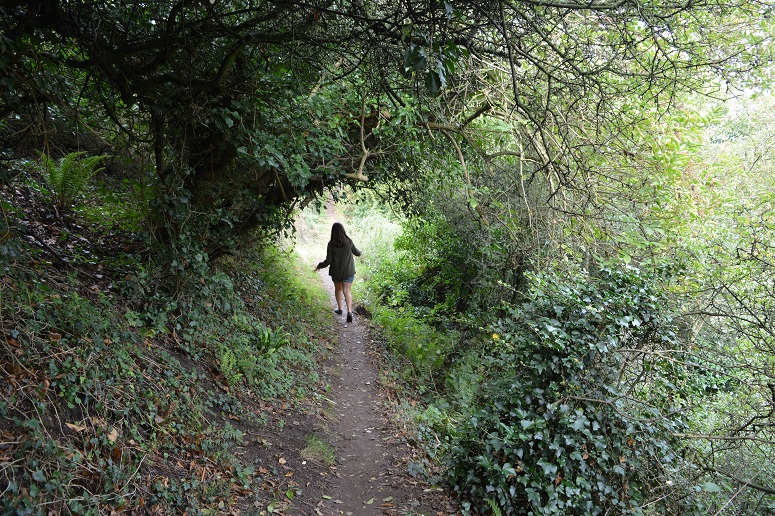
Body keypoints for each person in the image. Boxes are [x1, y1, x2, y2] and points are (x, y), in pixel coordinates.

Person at [314, 222, 362, 323]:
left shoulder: (331, 244)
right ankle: (349, 312)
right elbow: (357, 253)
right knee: (347, 291)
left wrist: (319, 265)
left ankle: (340, 309)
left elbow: (328, 261)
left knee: (338, 289)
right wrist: (360, 253)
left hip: (336, 273)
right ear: (343, 230)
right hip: (348, 271)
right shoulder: (349, 242)